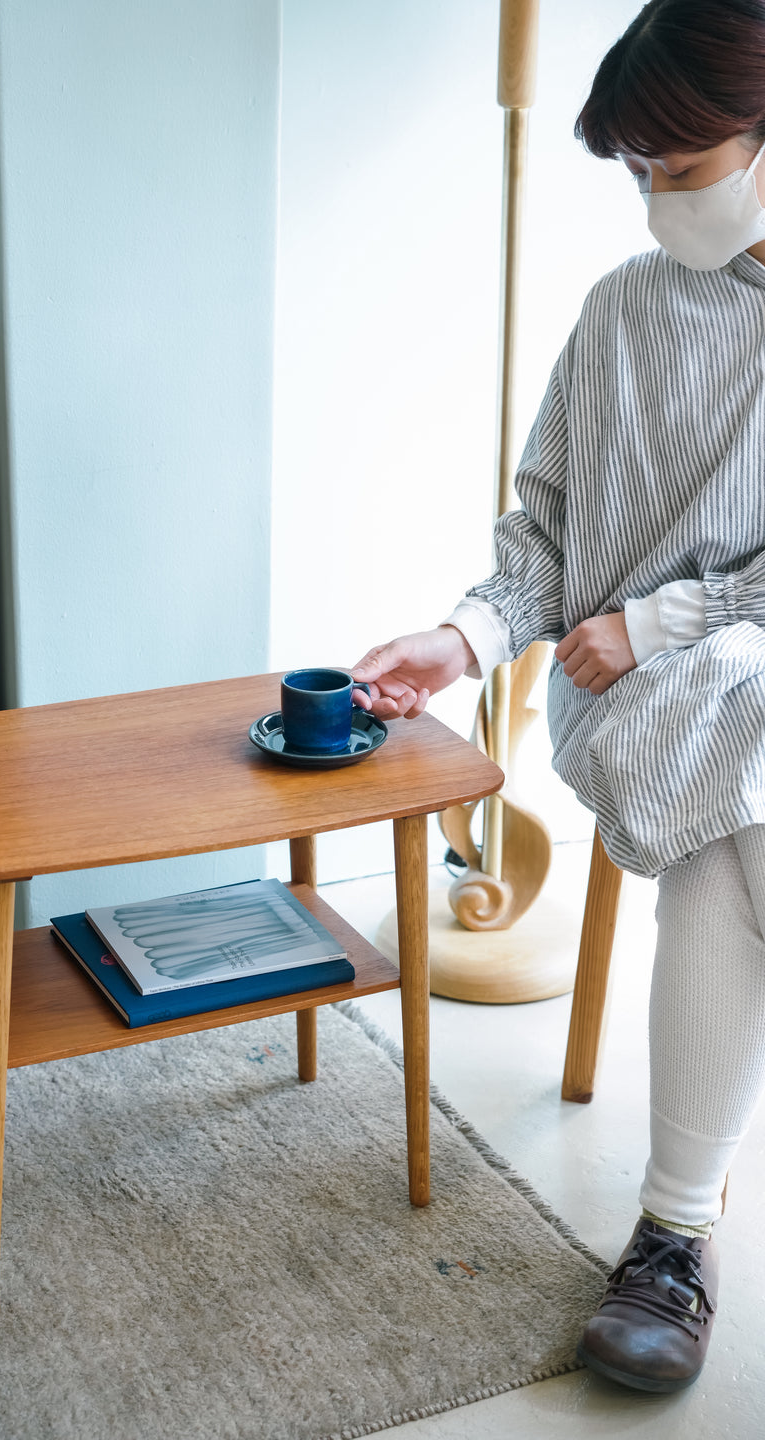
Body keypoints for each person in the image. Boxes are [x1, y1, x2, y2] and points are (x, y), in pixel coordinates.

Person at [352, 0, 765, 1395]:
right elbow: (544, 540)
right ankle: (676, 1229)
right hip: (650, 704)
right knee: (734, 796)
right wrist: (465, 641)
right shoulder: (623, 315)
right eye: (636, 171)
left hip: (712, 679)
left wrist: (674, 615)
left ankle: (673, 1230)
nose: (653, 201)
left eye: (677, 166)